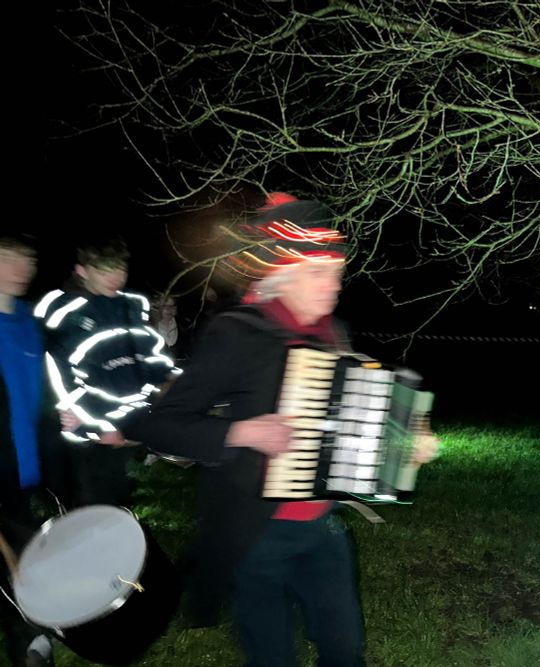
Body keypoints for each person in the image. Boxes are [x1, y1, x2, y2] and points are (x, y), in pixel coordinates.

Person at [127, 193, 438, 667]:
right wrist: (242, 433)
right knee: (272, 657)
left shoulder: (333, 335)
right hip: (255, 536)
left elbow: (352, 428)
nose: (333, 286)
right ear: (283, 274)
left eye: (337, 274)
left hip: (320, 529)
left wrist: (405, 446)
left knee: (345, 649)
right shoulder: (238, 333)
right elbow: (160, 425)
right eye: (319, 273)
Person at [33, 237, 181, 507]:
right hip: (94, 432)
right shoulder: (65, 313)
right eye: (103, 270)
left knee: (123, 498)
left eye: (119, 269)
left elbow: (148, 352)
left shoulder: (131, 305)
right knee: (94, 506)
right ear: (82, 271)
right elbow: (61, 378)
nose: (115, 278)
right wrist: (102, 427)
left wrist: (175, 380)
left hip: (132, 421)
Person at [0, 232, 60, 667]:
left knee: (27, 561)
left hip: (32, 464)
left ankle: (31, 639)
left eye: (28, 260)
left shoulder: (28, 319)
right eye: (9, 259)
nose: (22, 270)